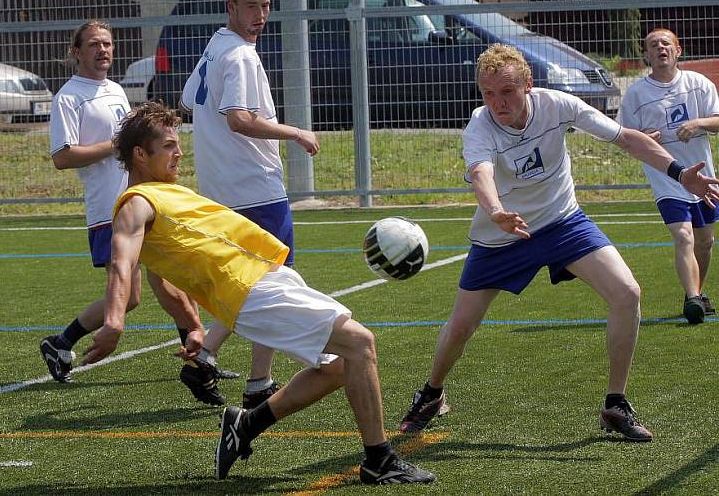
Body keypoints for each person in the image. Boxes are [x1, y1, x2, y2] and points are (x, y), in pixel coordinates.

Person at [80, 101, 434, 485]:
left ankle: (246, 425)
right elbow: (122, 261)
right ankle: (379, 461)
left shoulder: (166, 193)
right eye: (168, 145)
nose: (179, 152)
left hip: (268, 277)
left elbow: (160, 273)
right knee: (360, 343)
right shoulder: (136, 204)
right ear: (139, 154)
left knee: (340, 366)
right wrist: (114, 321)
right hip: (250, 291)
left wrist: (192, 325)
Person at [398, 43, 719, 442]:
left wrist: (679, 172)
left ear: (528, 85)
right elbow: (480, 172)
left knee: (627, 293)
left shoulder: (558, 105)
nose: (498, 102)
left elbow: (627, 139)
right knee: (462, 325)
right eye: (489, 93)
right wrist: (496, 211)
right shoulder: (480, 126)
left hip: (563, 222)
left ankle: (615, 403)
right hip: (502, 235)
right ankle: (431, 394)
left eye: (508, 91)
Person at [179, 0, 320, 408]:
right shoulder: (239, 54)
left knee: (254, 283)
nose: (260, 15)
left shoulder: (215, 47)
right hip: (255, 189)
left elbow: (187, 101)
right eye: (251, 6)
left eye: (265, 5)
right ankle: (254, 380)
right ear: (232, 8)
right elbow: (238, 118)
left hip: (224, 188)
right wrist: (295, 132)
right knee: (276, 282)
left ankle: (215, 361)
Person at [41, 20, 203, 383]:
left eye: (108, 44)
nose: (103, 51)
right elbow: (62, 156)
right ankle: (61, 342)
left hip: (143, 201)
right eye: (94, 44)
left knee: (170, 281)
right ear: (76, 52)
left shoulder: (114, 89)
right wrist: (117, 145)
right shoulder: (68, 97)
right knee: (130, 298)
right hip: (109, 208)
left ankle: (198, 360)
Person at [620, 28, 719, 324]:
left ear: (678, 50)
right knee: (683, 236)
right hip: (667, 179)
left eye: (666, 43)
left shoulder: (697, 84)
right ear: (646, 55)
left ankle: (698, 293)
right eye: (653, 45)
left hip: (702, 177)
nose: (660, 48)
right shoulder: (636, 94)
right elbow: (626, 138)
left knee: (705, 241)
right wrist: (644, 138)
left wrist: (698, 123)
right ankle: (692, 298)